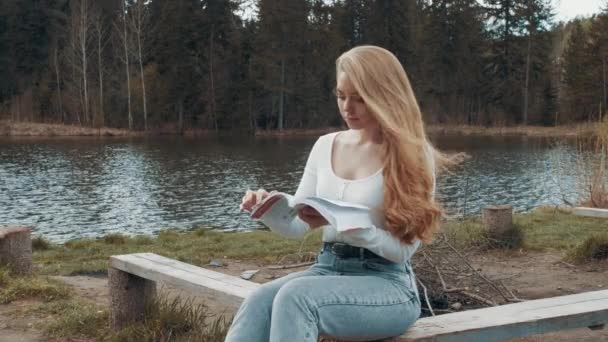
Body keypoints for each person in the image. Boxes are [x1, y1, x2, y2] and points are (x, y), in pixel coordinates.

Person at [225, 45, 443, 342]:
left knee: (295, 298)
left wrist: (358, 229)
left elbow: (404, 251)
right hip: (327, 269)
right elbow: (296, 224)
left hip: (388, 284)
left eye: (359, 98)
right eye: (341, 96)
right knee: (258, 302)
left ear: (385, 96)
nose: (347, 108)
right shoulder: (325, 145)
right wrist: (268, 210)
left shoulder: (413, 155)